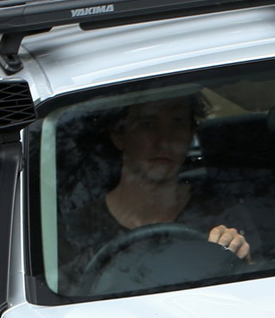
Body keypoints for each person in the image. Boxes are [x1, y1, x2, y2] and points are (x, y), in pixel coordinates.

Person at [102, 95, 250, 260]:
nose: (164, 142)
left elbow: (259, 278)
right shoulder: (80, 228)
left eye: (177, 124)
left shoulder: (220, 212)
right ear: (118, 136)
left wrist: (242, 259)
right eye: (148, 125)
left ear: (190, 135)